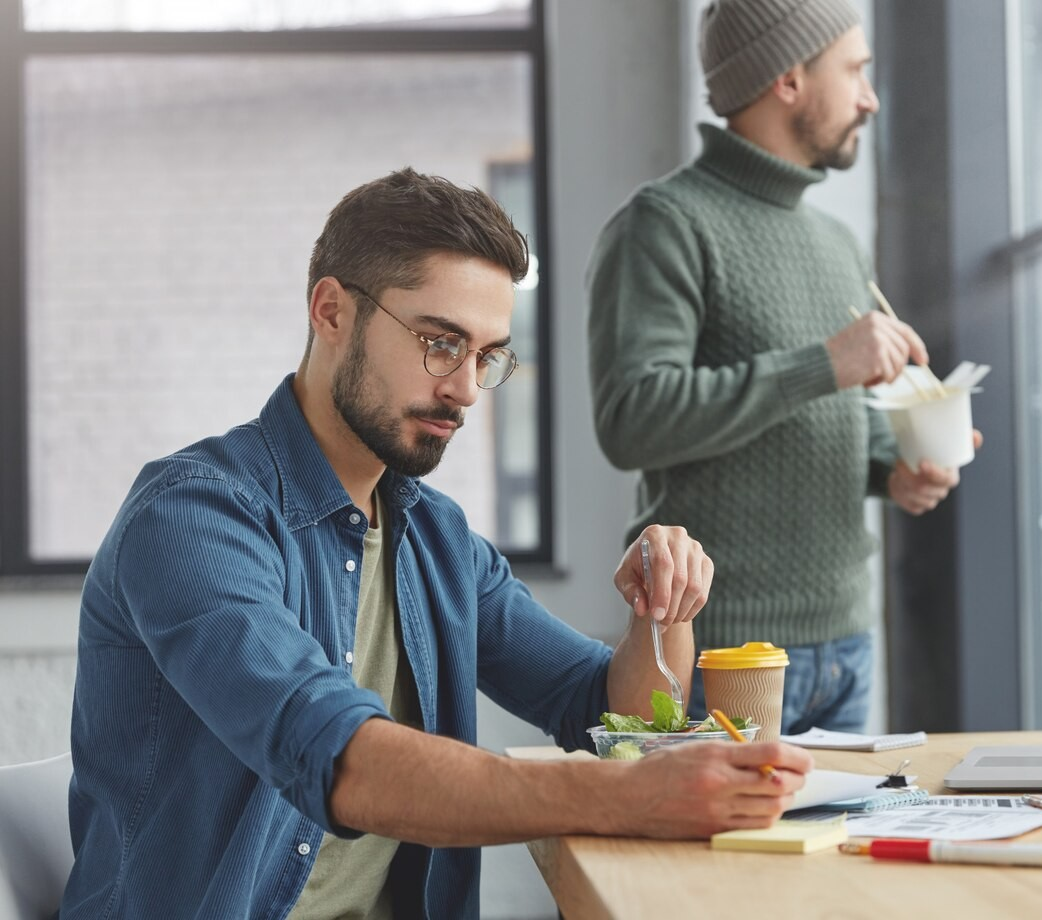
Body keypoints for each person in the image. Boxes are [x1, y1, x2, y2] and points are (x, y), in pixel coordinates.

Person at [62, 168, 811, 920]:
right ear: (332, 312)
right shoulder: (195, 516)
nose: (463, 389)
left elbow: (611, 713)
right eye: (440, 343)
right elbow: (336, 757)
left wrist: (664, 601)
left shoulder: (436, 539)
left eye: (486, 356)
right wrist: (622, 795)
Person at [586, 0, 978, 735]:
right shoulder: (665, 225)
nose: (870, 96)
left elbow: (825, 430)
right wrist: (824, 363)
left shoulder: (839, 241)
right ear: (789, 78)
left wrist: (894, 471)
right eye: (855, 70)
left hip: (847, 646)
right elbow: (631, 419)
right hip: (722, 652)